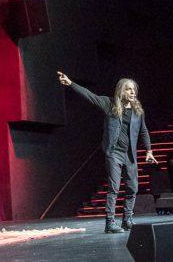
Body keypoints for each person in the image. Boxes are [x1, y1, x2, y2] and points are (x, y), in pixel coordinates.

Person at [57, 71, 157, 233]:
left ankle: (127, 219)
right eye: (128, 89)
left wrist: (149, 150)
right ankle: (110, 222)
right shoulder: (108, 104)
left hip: (130, 154)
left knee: (133, 187)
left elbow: (143, 131)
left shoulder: (138, 111)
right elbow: (90, 95)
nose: (132, 92)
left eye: (134, 89)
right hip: (114, 153)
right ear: (121, 91)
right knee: (114, 187)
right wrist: (71, 83)